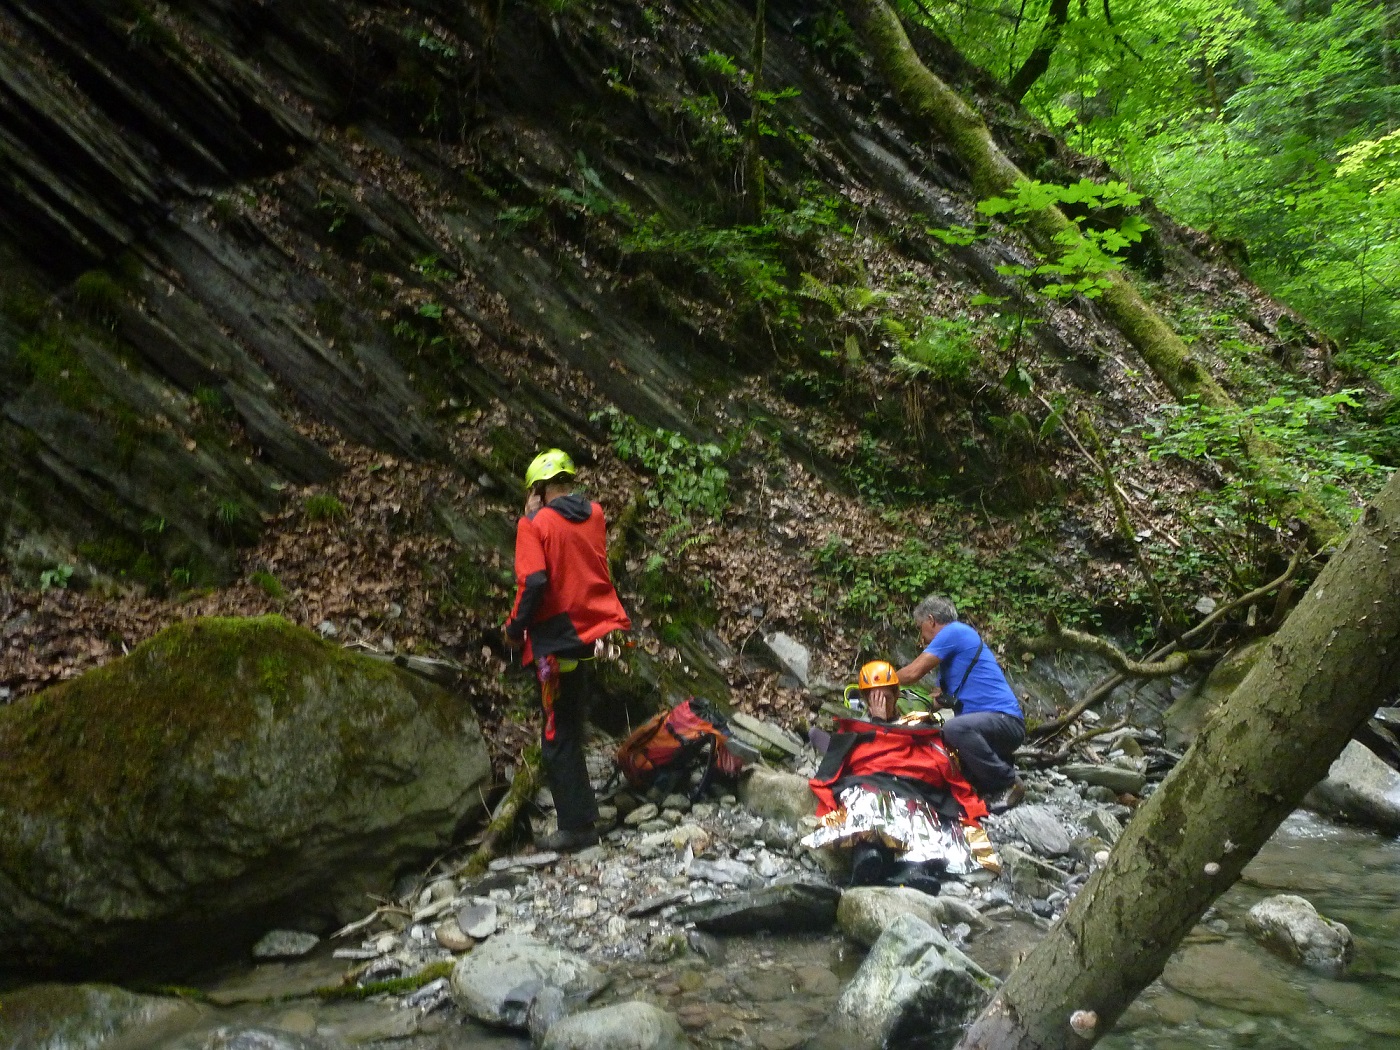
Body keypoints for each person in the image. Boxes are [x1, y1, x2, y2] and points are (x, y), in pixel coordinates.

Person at [503, 448, 631, 852]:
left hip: (553, 642)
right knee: (571, 724)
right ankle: (584, 814)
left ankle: (576, 826)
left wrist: (513, 630)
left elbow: (535, 582)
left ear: (538, 489)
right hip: (589, 633)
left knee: (556, 733)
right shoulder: (594, 514)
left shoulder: (534, 524)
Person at [801, 660, 1001, 890]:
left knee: (918, 811)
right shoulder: (859, 728)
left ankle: (913, 868)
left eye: (885, 697)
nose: (880, 703)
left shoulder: (915, 723)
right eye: (874, 698)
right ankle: (869, 856)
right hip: (872, 781)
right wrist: (876, 723)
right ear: (866, 700)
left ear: (896, 695)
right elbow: (838, 752)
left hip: (912, 786)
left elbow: (937, 760)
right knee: (867, 802)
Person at [895, 595, 1026, 812]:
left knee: (954, 728)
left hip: (1006, 722)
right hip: (987, 730)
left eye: (921, 628)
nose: (922, 636)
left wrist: (878, 680)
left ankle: (1008, 782)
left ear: (931, 620)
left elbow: (912, 672)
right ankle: (992, 775)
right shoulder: (948, 664)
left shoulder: (954, 632)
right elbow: (936, 700)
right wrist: (907, 715)